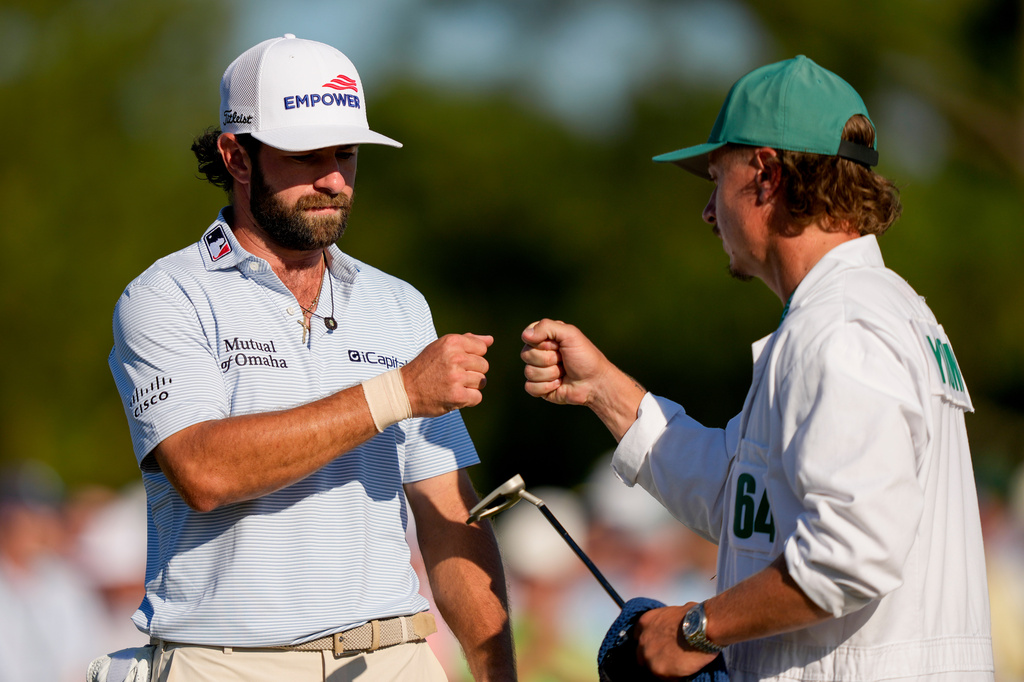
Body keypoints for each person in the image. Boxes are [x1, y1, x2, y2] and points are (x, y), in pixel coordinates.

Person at [520, 55, 994, 681]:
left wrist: (696, 627)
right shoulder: (869, 312)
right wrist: (604, 389)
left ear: (766, 175)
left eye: (716, 179)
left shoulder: (841, 327)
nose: (709, 213)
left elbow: (852, 556)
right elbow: (745, 503)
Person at [108, 34, 514, 682]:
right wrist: (397, 394)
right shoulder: (165, 294)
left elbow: (447, 516)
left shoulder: (398, 304)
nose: (332, 179)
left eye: (346, 154)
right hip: (225, 664)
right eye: (305, 156)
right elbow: (203, 472)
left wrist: (498, 676)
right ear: (236, 157)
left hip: (393, 657)